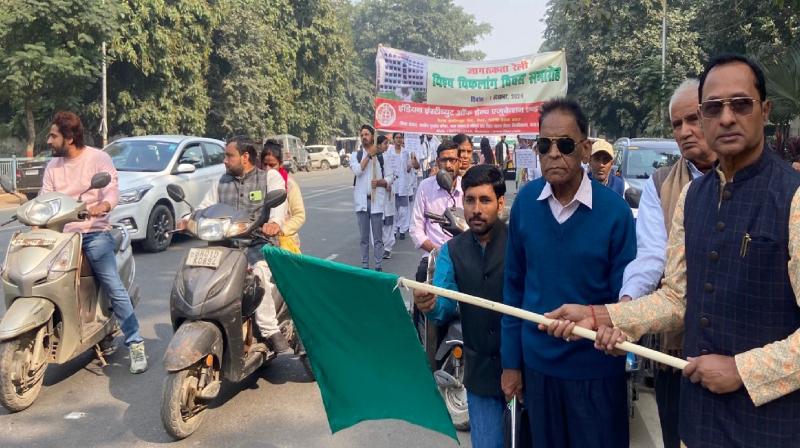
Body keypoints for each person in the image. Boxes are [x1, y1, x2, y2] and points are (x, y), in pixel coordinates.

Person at [549, 54, 800, 448]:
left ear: (764, 111)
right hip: (698, 419)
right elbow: (677, 298)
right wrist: (599, 315)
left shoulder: (792, 197)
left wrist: (743, 370)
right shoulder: (692, 197)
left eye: (741, 104)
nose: (726, 118)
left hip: (772, 426)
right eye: (713, 108)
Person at [501, 99, 636, 447]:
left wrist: (615, 332)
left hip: (597, 374)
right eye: (544, 145)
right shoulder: (525, 205)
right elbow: (513, 289)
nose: (553, 154)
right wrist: (511, 364)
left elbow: (627, 301)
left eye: (564, 145)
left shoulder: (615, 213)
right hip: (538, 371)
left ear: (585, 149)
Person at [617, 78, 717, 448]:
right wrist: (626, 308)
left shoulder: (764, 183)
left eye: (694, 119)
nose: (685, 131)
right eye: (677, 124)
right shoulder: (660, 184)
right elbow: (651, 258)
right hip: (677, 348)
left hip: (740, 349)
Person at [41, 111, 148, 374]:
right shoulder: (52, 166)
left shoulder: (98, 159)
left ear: (69, 138)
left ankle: (135, 342)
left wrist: (103, 206)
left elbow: (111, 190)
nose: (48, 141)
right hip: (61, 235)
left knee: (112, 283)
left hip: (93, 232)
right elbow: (45, 199)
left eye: (53, 136)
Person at [413, 165, 507, 448]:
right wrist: (430, 304)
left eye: (485, 200)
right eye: (470, 200)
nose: (476, 209)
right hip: (480, 374)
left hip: (525, 370)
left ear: (500, 203)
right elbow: (443, 304)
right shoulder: (451, 252)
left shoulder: (520, 243)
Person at [183, 137, 290, 353]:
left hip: (258, 243)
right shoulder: (221, 182)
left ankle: (269, 330)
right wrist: (187, 219)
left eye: (229, 156)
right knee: (197, 272)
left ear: (245, 157)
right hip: (226, 247)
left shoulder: (269, 177)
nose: (224, 160)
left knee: (258, 274)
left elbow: (278, 207)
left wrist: (274, 222)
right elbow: (203, 207)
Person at [410, 140, 463, 283]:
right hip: (432, 256)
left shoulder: (467, 187)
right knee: (421, 286)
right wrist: (438, 252)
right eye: (444, 160)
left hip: (462, 258)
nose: (448, 165)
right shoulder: (425, 187)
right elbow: (415, 229)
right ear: (438, 162)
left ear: (459, 162)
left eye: (452, 160)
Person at [350, 124, 387, 271]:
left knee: (377, 237)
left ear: (373, 136)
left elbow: (390, 177)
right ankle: (365, 265)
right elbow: (358, 171)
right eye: (362, 135)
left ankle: (378, 265)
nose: (364, 137)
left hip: (376, 201)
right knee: (364, 238)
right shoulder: (356, 156)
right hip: (362, 202)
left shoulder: (381, 156)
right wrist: (368, 156)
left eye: (366, 134)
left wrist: (381, 182)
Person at [261, 140, 306, 254]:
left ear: (280, 164)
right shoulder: (256, 184)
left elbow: (299, 215)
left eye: (272, 165)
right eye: (265, 164)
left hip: (285, 241)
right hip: (261, 240)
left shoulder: (290, 185)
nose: (268, 169)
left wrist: (280, 229)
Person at [376, 135, 396, 259]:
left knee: (388, 223)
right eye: (385, 143)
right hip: (376, 196)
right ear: (378, 144)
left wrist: (386, 182)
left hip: (386, 194)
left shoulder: (387, 157)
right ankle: (380, 246)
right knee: (378, 223)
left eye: (387, 143)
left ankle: (388, 247)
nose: (387, 146)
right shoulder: (371, 158)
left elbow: (391, 176)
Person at [389, 133, 412, 241]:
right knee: (393, 209)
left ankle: (402, 229)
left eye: (400, 138)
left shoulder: (406, 152)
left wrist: (410, 165)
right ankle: (394, 230)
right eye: (397, 138)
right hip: (392, 184)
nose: (399, 139)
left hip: (403, 184)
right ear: (393, 139)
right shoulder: (389, 152)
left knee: (403, 209)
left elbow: (408, 168)